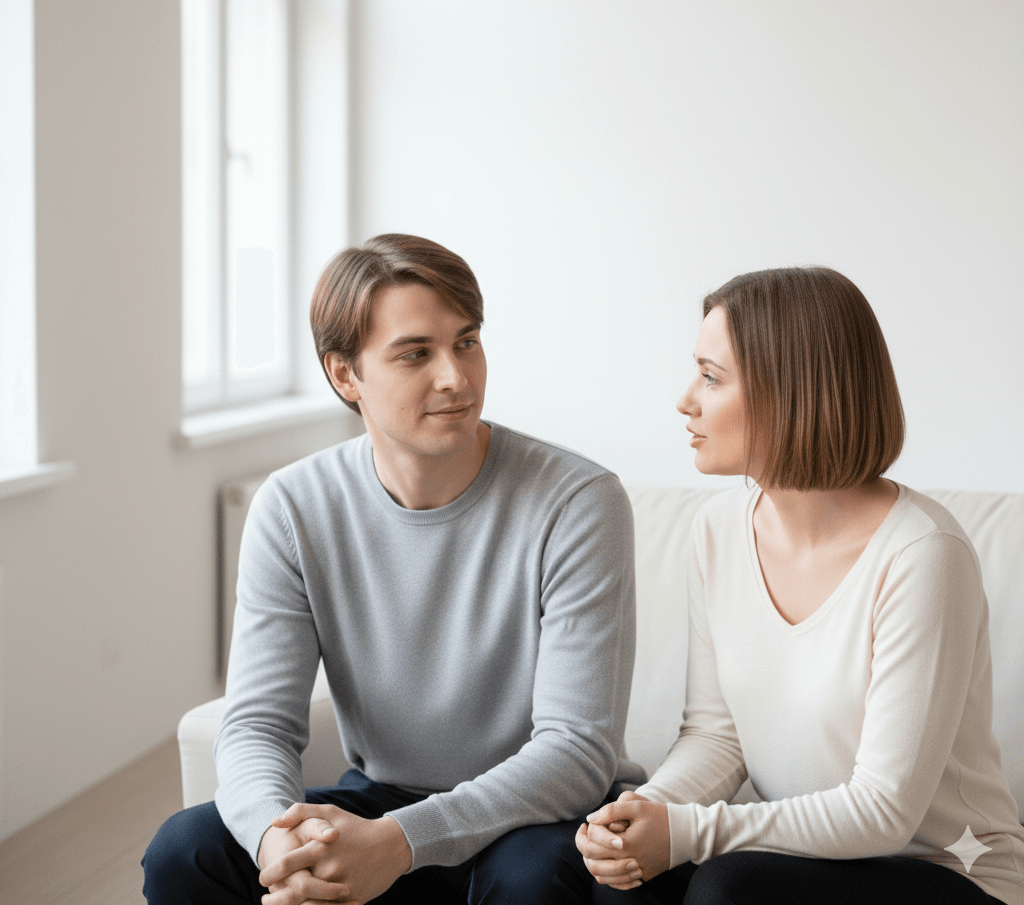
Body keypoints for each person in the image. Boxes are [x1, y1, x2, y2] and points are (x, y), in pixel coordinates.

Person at [143, 233, 645, 904]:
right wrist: (277, 842)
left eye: (466, 342)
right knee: (185, 852)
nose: (456, 377)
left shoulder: (578, 501)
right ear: (345, 374)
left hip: (532, 814)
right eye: (416, 354)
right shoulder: (293, 506)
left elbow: (576, 752)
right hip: (384, 799)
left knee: (534, 882)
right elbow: (258, 723)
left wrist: (399, 844)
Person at [576, 266, 1024, 904]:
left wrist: (686, 834)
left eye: (711, 377)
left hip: (945, 872)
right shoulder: (717, 530)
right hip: (806, 862)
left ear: (790, 393)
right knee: (624, 878)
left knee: (728, 887)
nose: (686, 400)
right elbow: (717, 735)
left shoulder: (924, 554)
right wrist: (645, 814)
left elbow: (883, 812)